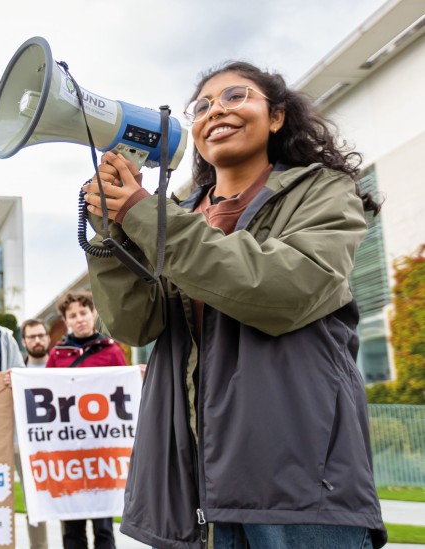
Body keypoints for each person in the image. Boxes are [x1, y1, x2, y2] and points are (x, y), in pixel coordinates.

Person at [82, 61, 385, 548]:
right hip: (194, 484)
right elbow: (135, 323)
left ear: (278, 116)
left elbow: (283, 290)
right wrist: (111, 231)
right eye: (201, 107)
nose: (215, 110)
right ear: (195, 134)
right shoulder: (177, 215)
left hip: (297, 481)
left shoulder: (322, 191)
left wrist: (144, 215)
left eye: (236, 96)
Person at [46, 293, 126, 549]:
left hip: (102, 452)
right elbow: (45, 394)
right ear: (66, 321)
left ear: (93, 314)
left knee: (103, 527)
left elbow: (124, 392)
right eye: (73, 316)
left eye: (83, 313)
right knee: (72, 526)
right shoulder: (58, 355)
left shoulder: (112, 351)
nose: (79, 319)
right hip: (69, 452)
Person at [17, 318, 51, 549]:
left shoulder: (60, 368)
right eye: (32, 337)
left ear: (48, 338)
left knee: (72, 499)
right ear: (24, 341)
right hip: (23, 446)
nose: (37, 341)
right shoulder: (17, 371)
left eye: (40, 335)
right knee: (33, 504)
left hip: (58, 445)